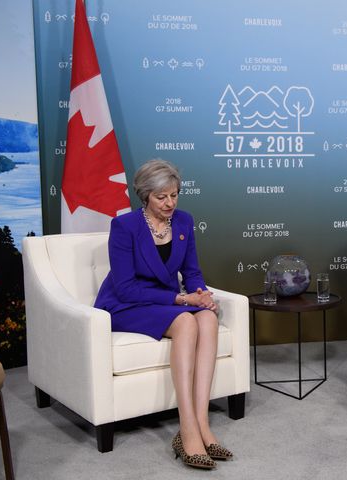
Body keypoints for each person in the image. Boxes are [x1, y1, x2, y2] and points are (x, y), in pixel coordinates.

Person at [94, 159, 231, 469]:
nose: (170, 203)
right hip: (127, 305)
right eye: (161, 197)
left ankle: (202, 424)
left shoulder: (184, 222)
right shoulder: (124, 227)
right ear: (145, 196)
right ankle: (187, 430)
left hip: (168, 300)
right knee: (185, 321)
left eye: (174, 195)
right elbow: (126, 288)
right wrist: (181, 299)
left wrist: (201, 294)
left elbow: (192, 272)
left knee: (208, 317)